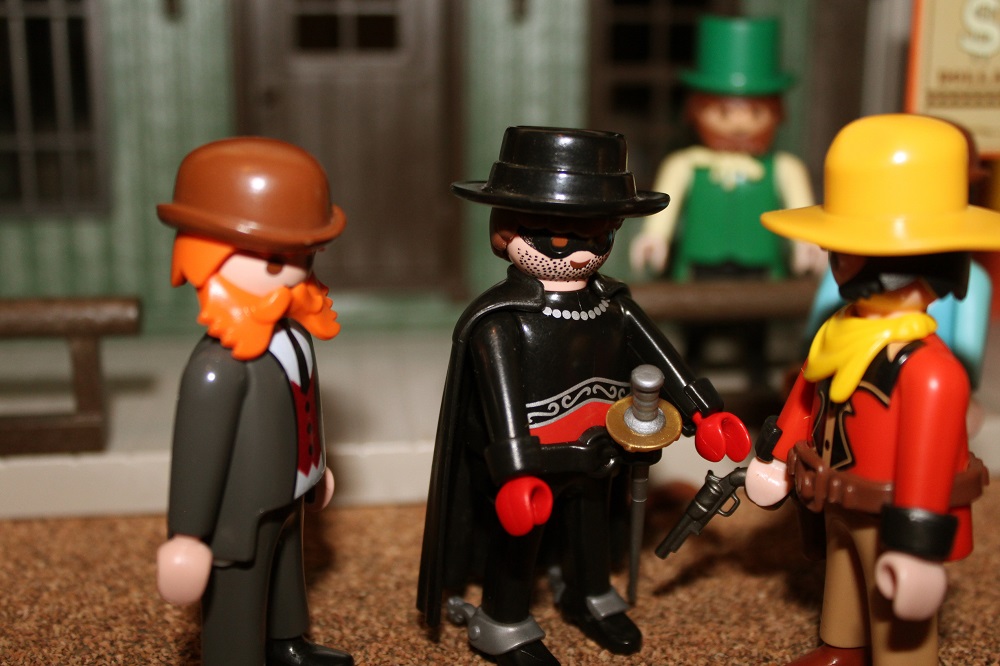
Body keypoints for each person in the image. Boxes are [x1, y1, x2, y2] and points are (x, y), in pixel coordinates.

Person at [417, 126, 750, 666]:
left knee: (591, 527)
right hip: (534, 458)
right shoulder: (500, 320)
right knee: (518, 543)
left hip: (602, 446)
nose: (576, 256)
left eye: (597, 237)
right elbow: (500, 401)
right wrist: (515, 468)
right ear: (506, 231)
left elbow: (663, 358)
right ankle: (502, 620)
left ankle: (590, 594)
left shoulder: (613, 304)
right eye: (556, 239)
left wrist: (703, 413)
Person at [744, 114, 1000, 666]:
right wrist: (775, 455)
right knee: (843, 574)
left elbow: (928, 463)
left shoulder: (930, 371)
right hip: (831, 492)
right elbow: (806, 398)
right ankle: (842, 648)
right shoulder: (836, 335)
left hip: (889, 507)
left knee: (895, 612)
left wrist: (917, 546)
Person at [155, 137, 353, 666]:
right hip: (239, 512)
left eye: (303, 256)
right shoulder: (217, 368)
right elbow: (198, 457)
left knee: (287, 571)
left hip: (289, 488)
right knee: (237, 599)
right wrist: (186, 537)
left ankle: (288, 642)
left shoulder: (296, 336)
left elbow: (304, 403)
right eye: (274, 260)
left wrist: (318, 467)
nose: (293, 273)